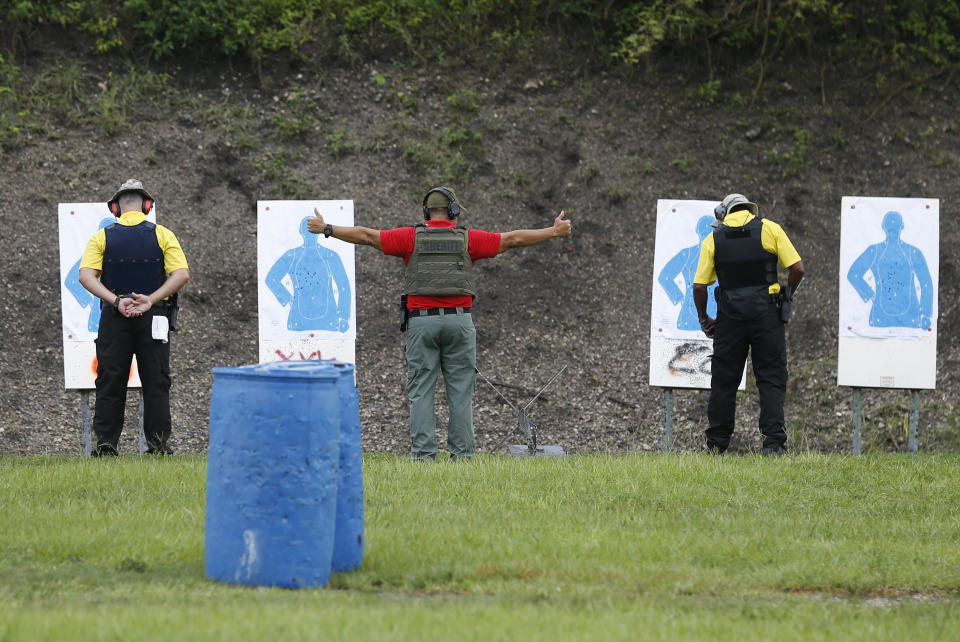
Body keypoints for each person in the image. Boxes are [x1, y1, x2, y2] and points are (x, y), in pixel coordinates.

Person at [307, 186, 572, 461]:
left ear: (426, 212)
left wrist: (327, 228)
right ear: (454, 211)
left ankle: (423, 457)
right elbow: (513, 239)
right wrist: (552, 232)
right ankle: (462, 456)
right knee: (460, 392)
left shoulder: (410, 238)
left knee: (421, 391)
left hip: (422, 324)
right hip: (460, 322)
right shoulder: (468, 239)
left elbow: (367, 235)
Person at [78, 179, 190, 456]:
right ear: (147, 205)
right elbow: (182, 274)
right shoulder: (164, 234)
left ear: (116, 207)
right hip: (155, 317)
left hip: (115, 317)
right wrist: (150, 299)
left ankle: (106, 446)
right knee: (156, 381)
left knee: (110, 379)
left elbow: (85, 276)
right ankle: (158, 446)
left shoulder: (101, 237)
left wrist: (116, 301)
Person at [692, 193, 804, 456]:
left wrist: (704, 318)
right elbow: (797, 268)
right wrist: (787, 294)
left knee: (724, 381)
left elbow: (699, 286)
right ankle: (773, 444)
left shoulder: (714, 239)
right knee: (771, 378)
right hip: (767, 314)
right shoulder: (770, 228)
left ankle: (717, 445)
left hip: (730, 316)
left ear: (724, 213)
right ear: (749, 210)